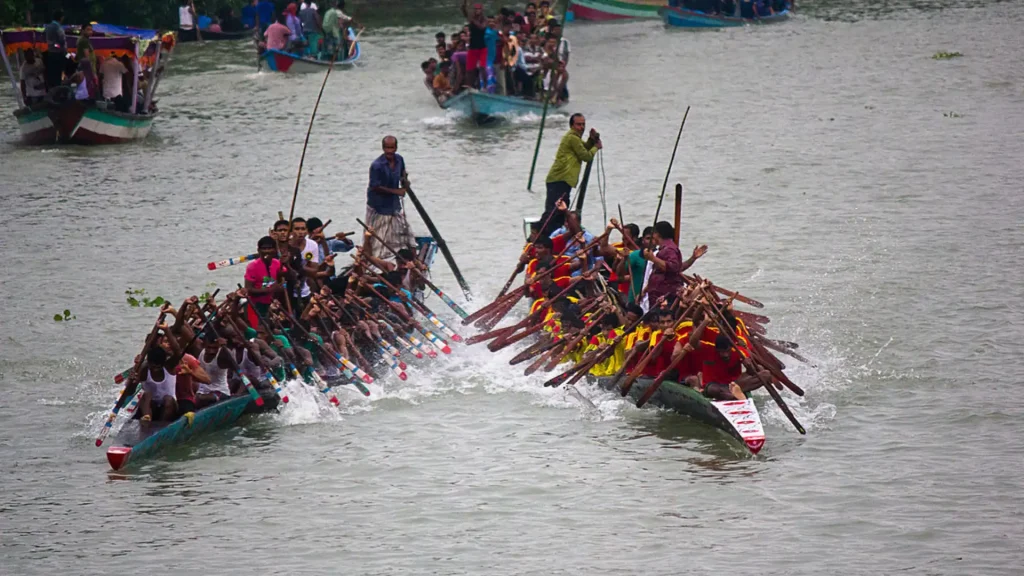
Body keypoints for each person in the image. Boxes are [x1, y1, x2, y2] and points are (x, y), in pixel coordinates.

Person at [541, 113, 601, 234]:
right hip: (559, 179)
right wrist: (596, 147)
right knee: (554, 211)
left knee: (559, 211)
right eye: (578, 124)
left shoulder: (575, 138)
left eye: (583, 124)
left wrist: (590, 140)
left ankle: (553, 234)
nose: (582, 127)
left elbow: (583, 148)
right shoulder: (572, 137)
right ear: (572, 126)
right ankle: (542, 233)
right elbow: (586, 156)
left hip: (563, 180)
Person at [364, 135, 416, 260]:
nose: (389, 151)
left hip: (394, 205)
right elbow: (375, 186)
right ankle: (376, 262)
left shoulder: (399, 160)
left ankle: (415, 261)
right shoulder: (377, 165)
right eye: (387, 148)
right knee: (378, 240)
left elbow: (403, 175)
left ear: (396, 148)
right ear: (383, 148)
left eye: (392, 148)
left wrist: (405, 182)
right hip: (379, 206)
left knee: (407, 234)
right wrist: (396, 191)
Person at [245, 236, 286, 326]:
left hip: (272, 305)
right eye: (264, 248)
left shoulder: (277, 263)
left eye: (269, 248)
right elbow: (248, 290)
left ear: (275, 250)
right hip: (256, 306)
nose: (267, 251)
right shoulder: (252, 266)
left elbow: (285, 280)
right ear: (259, 251)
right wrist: (269, 290)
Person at [138, 346, 178, 424]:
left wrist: (167, 332)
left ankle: (161, 426)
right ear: (148, 363)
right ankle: (146, 421)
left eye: (158, 367)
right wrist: (133, 379)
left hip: (169, 407)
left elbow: (178, 352)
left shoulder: (169, 367)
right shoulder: (144, 370)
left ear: (163, 364)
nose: (155, 370)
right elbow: (130, 391)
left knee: (168, 399)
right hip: (151, 406)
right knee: (147, 395)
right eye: (153, 367)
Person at [460, 0, 488, 90]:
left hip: (482, 47)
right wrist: (464, 4)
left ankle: (485, 86)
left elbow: (481, 27)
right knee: (470, 69)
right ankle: (470, 86)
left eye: (478, 9)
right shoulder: (471, 19)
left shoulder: (484, 20)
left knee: (483, 67)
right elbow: (464, 11)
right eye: (475, 9)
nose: (477, 11)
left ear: (481, 10)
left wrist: (472, 20)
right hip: (473, 47)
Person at [43, 11, 67, 90]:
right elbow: (62, 40)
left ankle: (52, 89)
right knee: (58, 74)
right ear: (61, 18)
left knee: (52, 74)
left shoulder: (48, 27)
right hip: (58, 53)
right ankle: (58, 91)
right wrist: (62, 48)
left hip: (50, 53)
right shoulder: (58, 27)